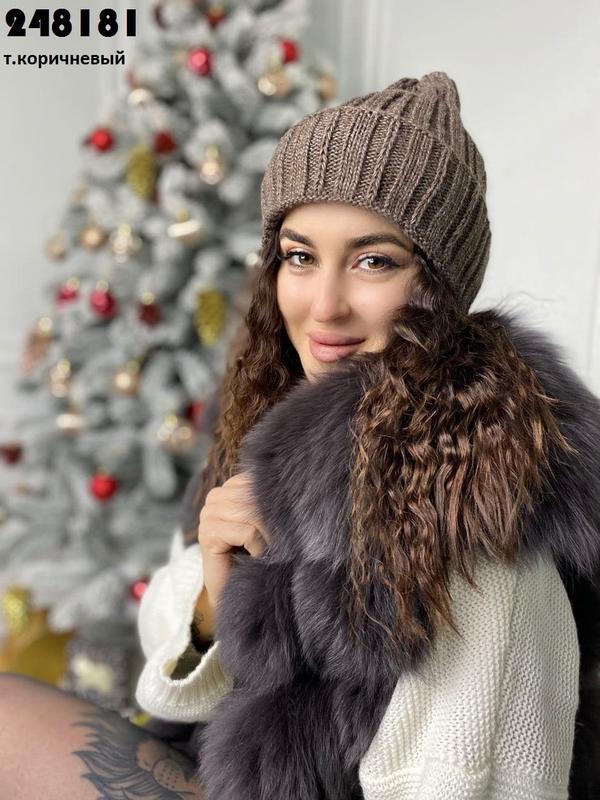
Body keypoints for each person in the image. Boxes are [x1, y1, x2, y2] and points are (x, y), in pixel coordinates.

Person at [1, 71, 599, 800]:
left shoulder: (478, 502)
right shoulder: (278, 411)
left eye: (374, 261)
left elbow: (467, 779)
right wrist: (213, 596)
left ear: (441, 285)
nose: (324, 305)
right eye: (300, 256)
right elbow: (173, 642)